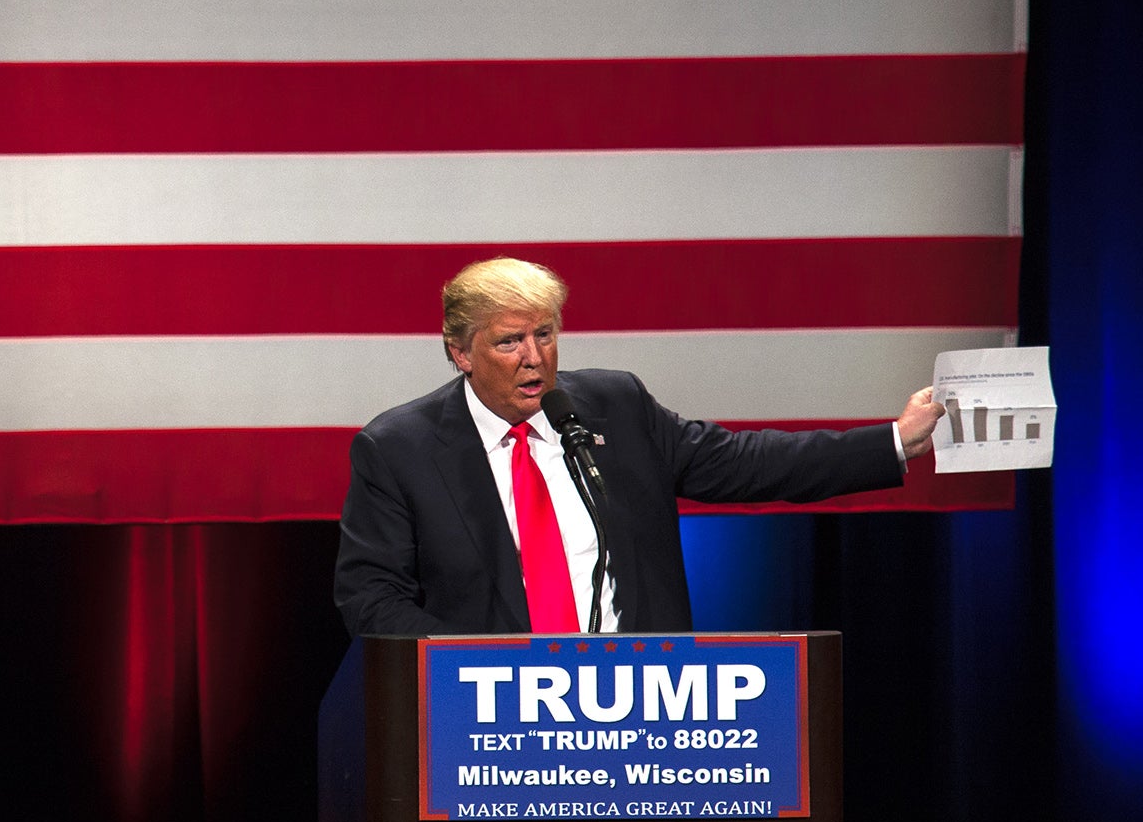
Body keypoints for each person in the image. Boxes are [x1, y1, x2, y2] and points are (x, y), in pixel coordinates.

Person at [334, 258, 946, 636]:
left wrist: (895, 439)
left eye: (545, 335)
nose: (534, 358)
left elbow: (743, 464)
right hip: (489, 725)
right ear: (459, 352)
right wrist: (483, 673)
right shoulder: (399, 449)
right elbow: (372, 599)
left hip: (640, 711)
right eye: (509, 342)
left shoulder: (613, 408)